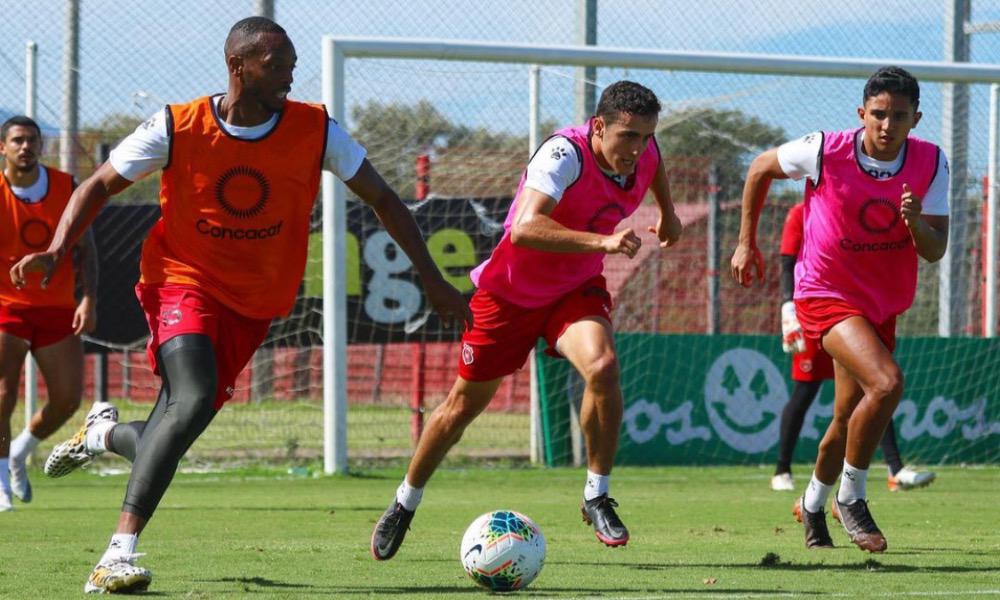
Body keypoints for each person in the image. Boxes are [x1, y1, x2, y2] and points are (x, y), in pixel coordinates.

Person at [10, 17, 471, 594]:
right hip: (181, 281)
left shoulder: (316, 129)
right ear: (239, 67)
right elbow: (96, 185)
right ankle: (115, 556)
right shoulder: (177, 127)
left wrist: (431, 278)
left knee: (173, 427)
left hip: (256, 303)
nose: (289, 76)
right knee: (194, 394)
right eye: (276, 66)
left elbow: (382, 197)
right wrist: (56, 250)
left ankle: (101, 436)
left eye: (292, 66)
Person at [370, 80, 683, 561]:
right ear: (598, 128)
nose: (637, 149)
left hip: (574, 291)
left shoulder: (644, 149)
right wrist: (601, 242)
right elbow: (525, 227)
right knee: (461, 409)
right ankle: (403, 503)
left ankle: (596, 494)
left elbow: (656, 164)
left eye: (645, 137)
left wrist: (669, 212)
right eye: (627, 137)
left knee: (602, 367)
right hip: (509, 295)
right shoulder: (563, 155)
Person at [731, 66, 948, 553]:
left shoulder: (932, 162)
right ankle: (851, 496)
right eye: (878, 114)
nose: (887, 125)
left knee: (847, 417)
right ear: (861, 114)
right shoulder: (824, 150)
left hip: (880, 304)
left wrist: (914, 222)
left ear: (916, 118)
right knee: (887, 382)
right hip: (823, 293)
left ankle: (811, 503)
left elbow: (935, 249)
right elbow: (759, 167)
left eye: (898, 116)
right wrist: (746, 243)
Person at [771, 201, 936, 493]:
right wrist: (787, 306)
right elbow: (787, 260)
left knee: (877, 387)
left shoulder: (857, 208)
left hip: (856, 311)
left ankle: (891, 471)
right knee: (807, 390)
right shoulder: (800, 212)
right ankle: (783, 469)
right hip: (815, 307)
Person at [0, 115, 98, 512]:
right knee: (3, 395)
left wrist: (89, 298)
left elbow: (87, 248)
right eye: (18, 140)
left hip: (57, 308)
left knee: (67, 400)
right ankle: (1, 477)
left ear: (42, 146)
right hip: (6, 308)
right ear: (3, 148)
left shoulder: (65, 187)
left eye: (32, 140)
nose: (26, 147)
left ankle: (22, 451)